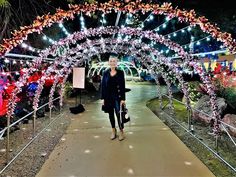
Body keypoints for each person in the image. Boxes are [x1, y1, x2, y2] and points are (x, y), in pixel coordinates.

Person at [101, 55, 126, 141]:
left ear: (116, 63)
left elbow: (123, 86)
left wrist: (123, 99)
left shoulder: (120, 72)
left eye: (114, 61)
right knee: (110, 114)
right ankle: (113, 130)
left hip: (117, 98)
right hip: (108, 98)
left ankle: (121, 131)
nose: (112, 63)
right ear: (108, 62)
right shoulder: (105, 73)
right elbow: (103, 86)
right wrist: (103, 99)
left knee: (119, 114)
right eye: (111, 61)